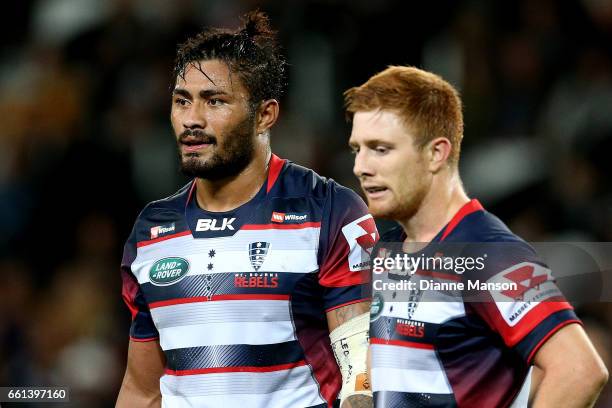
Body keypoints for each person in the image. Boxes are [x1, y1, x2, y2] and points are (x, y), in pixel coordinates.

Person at [116, 12, 376, 408]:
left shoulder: (328, 211)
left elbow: (360, 379)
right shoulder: (152, 229)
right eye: (181, 101)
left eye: (214, 101)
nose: (192, 119)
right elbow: (141, 390)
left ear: (265, 115)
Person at [344, 66, 609, 408]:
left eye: (381, 149)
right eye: (357, 149)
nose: (361, 167)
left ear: (436, 153)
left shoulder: (488, 254)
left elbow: (579, 370)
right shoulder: (386, 250)